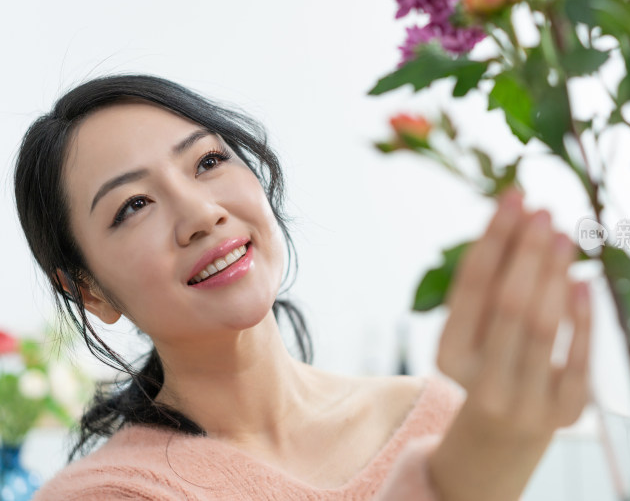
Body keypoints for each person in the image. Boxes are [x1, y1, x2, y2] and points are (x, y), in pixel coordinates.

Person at [13, 74, 592, 501]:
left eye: (208, 161)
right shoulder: (109, 494)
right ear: (88, 290)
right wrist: (466, 476)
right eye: (134, 205)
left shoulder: (433, 415)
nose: (201, 213)